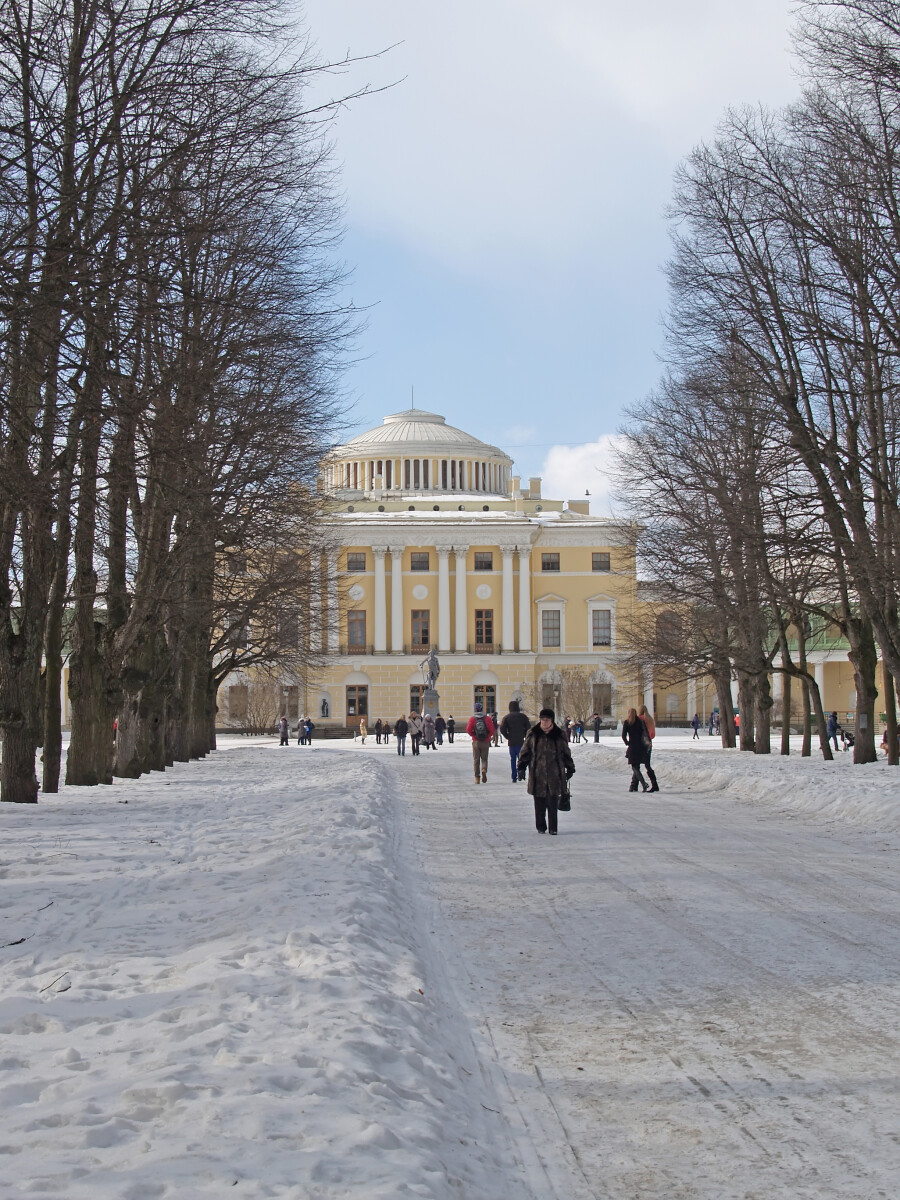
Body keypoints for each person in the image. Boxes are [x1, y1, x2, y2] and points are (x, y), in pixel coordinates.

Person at [517, 708, 575, 836]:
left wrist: (570, 767)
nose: (544, 722)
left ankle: (553, 828)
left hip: (554, 773)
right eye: (542, 720)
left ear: (551, 721)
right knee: (539, 803)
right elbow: (525, 751)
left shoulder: (559, 734)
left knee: (552, 801)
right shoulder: (533, 733)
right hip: (537, 773)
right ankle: (541, 826)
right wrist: (521, 767)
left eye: (546, 720)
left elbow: (566, 752)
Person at [500, 699, 531, 783]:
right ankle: (521, 774)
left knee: (512, 759)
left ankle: (514, 776)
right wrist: (524, 735)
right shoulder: (523, 717)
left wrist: (507, 736)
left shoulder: (507, 717)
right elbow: (528, 728)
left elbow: (502, 728)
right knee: (521, 759)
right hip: (521, 741)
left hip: (511, 741)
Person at [622, 708, 650, 792]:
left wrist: (627, 743)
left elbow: (623, 735)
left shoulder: (627, 722)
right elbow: (644, 733)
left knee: (634, 767)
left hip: (632, 746)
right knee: (636, 766)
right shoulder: (640, 722)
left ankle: (643, 783)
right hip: (640, 746)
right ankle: (633, 786)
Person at [466, 702, 495, 784]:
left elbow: (468, 729)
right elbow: (492, 729)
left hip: (476, 741)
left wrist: (473, 735)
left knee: (476, 759)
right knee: (484, 758)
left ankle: (477, 778)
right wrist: (488, 736)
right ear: (482, 709)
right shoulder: (487, 718)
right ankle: (484, 769)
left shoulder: (472, 719)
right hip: (485, 741)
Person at [638, 704, 659, 792]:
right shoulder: (650, 719)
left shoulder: (640, 719)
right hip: (649, 744)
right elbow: (653, 734)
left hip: (641, 744)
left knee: (636, 764)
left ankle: (635, 785)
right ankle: (655, 784)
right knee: (647, 764)